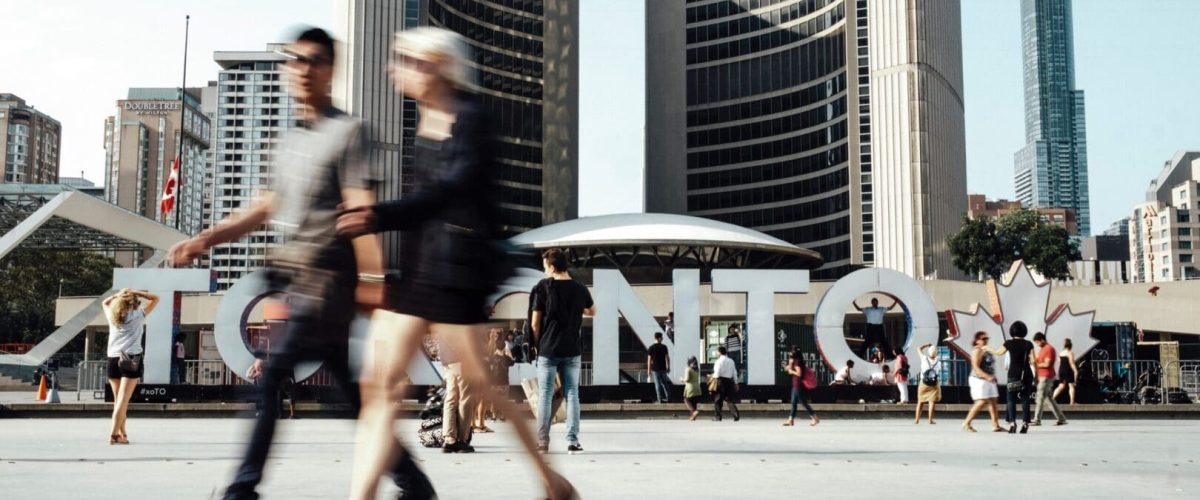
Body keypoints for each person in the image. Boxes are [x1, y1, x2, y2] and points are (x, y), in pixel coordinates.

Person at [169, 27, 434, 500]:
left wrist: (372, 279)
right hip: (296, 280)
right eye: (294, 60)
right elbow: (266, 207)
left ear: (331, 70)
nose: (302, 69)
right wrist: (208, 237)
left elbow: (360, 206)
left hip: (331, 280)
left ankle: (242, 489)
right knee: (351, 398)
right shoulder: (287, 141)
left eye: (313, 60)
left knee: (272, 377)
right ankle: (414, 485)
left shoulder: (349, 132)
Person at [336, 27, 577, 499]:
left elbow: (450, 191)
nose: (399, 68)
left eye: (410, 59)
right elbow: (427, 204)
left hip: (458, 277)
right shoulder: (426, 122)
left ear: (439, 66)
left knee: (484, 390)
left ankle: (551, 481)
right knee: (379, 385)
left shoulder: (472, 118)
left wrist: (378, 215)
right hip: (422, 271)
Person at [530, 249, 594, 454]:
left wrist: (538, 346)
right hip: (572, 349)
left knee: (546, 395)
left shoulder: (542, 288)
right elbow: (593, 311)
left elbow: (534, 324)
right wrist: (576, 309)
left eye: (544, 267)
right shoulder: (579, 288)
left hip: (548, 350)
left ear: (552, 266)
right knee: (573, 394)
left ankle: (542, 442)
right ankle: (573, 441)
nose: (544, 271)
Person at [102, 288, 159, 445]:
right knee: (123, 400)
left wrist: (118, 295)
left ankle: (123, 434)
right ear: (132, 304)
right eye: (137, 302)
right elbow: (156, 298)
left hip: (113, 358)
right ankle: (113, 434)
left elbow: (104, 302)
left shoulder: (112, 316)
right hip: (131, 358)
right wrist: (137, 292)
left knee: (118, 400)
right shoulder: (137, 315)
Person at [992, 321, 1036, 434]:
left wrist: (987, 348)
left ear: (1012, 331)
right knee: (1025, 399)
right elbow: (1034, 361)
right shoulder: (1028, 344)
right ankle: (1025, 423)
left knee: (1011, 399)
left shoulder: (1009, 343)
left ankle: (1012, 424)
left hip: (1013, 374)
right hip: (1026, 374)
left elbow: (998, 352)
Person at [962, 331, 1003, 433]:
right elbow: (975, 367)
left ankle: (995, 425)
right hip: (978, 379)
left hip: (988, 379)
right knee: (981, 401)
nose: (985, 340)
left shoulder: (986, 350)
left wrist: (991, 376)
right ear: (977, 341)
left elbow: (989, 365)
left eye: (986, 338)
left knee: (993, 401)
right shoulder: (977, 350)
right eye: (983, 339)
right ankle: (966, 423)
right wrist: (986, 376)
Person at [440, 340, 475, 453]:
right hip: (463, 357)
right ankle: (461, 439)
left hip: (448, 359)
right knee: (466, 398)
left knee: (451, 398)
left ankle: (449, 439)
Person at [1031, 333, 1068, 426]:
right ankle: (1061, 418)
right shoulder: (1043, 349)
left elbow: (1047, 364)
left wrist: (1036, 365)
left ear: (1042, 340)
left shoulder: (1049, 349)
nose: (1037, 344)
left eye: (1037, 342)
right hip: (1043, 376)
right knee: (1048, 399)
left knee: (1039, 397)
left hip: (1046, 376)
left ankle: (1037, 420)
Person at [783, 348, 819, 427]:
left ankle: (815, 418)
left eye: (791, 353)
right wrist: (789, 366)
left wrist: (791, 371)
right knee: (794, 402)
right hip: (796, 385)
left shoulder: (797, 363)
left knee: (803, 403)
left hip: (798, 385)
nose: (789, 354)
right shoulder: (796, 362)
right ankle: (790, 420)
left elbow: (799, 374)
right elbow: (787, 368)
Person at [710, 346, 740, 422]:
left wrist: (711, 376)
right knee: (729, 399)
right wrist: (736, 383)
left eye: (717, 352)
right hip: (729, 381)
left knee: (718, 399)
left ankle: (718, 416)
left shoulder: (718, 361)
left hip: (720, 381)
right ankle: (735, 414)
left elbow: (717, 374)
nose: (716, 353)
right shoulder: (731, 361)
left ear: (719, 352)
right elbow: (734, 372)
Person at [914, 343, 941, 424]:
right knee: (932, 402)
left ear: (929, 352)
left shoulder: (924, 358)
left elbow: (918, 348)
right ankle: (930, 420)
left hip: (924, 383)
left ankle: (917, 420)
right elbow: (938, 372)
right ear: (936, 352)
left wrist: (927, 344)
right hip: (934, 384)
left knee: (920, 402)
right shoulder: (938, 361)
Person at [647, 332, 672, 403]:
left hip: (655, 369)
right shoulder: (664, 347)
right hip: (663, 368)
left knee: (657, 384)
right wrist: (668, 367)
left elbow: (649, 360)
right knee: (665, 384)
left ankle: (659, 399)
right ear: (658, 338)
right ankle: (668, 398)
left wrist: (648, 371)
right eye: (661, 337)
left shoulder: (651, 348)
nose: (662, 338)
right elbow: (667, 358)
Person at [1053, 339, 1079, 405]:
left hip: (1061, 370)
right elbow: (1071, 362)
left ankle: (1052, 398)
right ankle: (1072, 402)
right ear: (1070, 345)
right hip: (1068, 370)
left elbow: (1059, 361)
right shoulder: (1070, 353)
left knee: (1061, 385)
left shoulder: (1061, 353)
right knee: (1071, 385)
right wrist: (1075, 370)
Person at [681, 356, 702, 421]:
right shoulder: (697, 369)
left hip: (690, 387)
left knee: (686, 400)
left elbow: (687, 379)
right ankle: (693, 416)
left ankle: (694, 411)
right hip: (697, 386)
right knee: (694, 401)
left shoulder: (688, 369)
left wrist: (682, 379)